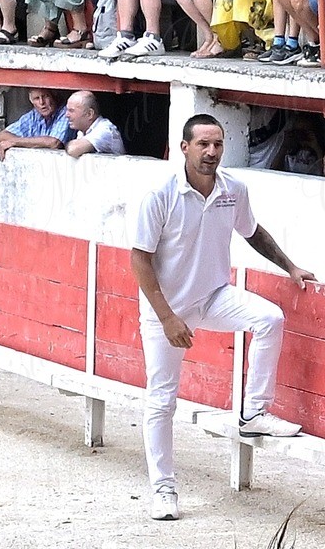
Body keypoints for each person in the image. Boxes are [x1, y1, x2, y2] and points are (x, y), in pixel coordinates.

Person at [131, 114, 311, 521]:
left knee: (270, 319)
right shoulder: (160, 193)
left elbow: (253, 232)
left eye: (217, 145)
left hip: (212, 295)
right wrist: (168, 318)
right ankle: (163, 489)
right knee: (162, 399)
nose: (211, 152)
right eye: (203, 145)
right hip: (167, 308)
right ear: (184, 147)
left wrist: (290, 267)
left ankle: (253, 414)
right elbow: (139, 260)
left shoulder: (233, 189)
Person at [0, 87, 70, 160]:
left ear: (54, 96)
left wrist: (15, 142)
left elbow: (54, 142)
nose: (41, 102)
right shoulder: (34, 115)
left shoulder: (66, 112)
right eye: (37, 98)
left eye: (45, 96)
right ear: (32, 101)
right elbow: (1, 136)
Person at [62, 90, 125, 157]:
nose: (66, 115)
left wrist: (65, 144)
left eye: (71, 110)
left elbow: (73, 149)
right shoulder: (82, 131)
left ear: (89, 114)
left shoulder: (104, 130)